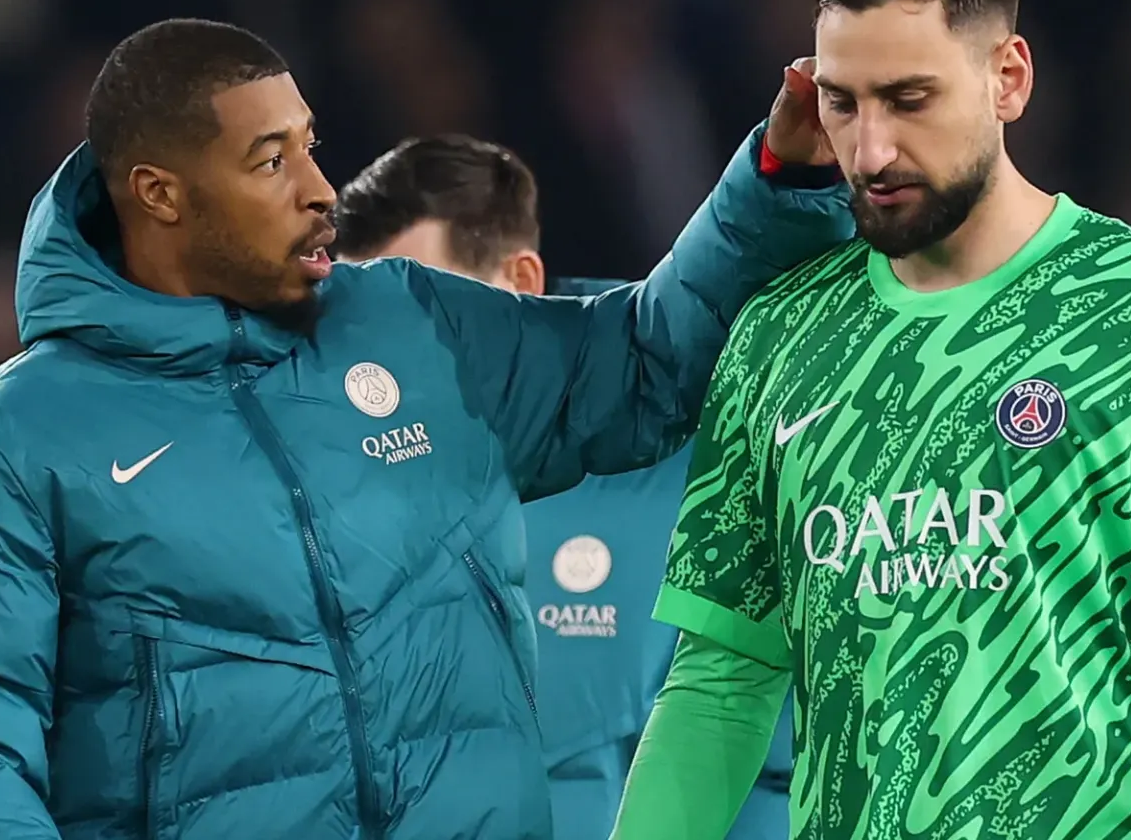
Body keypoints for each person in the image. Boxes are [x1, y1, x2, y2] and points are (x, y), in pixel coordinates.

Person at [0, 17, 852, 840]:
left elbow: (640, 363)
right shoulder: (11, 443)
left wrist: (776, 181)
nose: (318, 189)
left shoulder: (412, 327)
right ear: (159, 194)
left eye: (309, 145)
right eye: (269, 159)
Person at [610, 0, 1131, 840]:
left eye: (909, 99)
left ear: (1008, 79)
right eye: (842, 102)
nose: (871, 150)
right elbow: (719, 689)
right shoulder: (778, 338)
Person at [331, 132, 794, 840]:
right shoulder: (326, 487)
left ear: (520, 285)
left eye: (424, 312)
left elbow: (770, 763)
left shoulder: (700, 443)